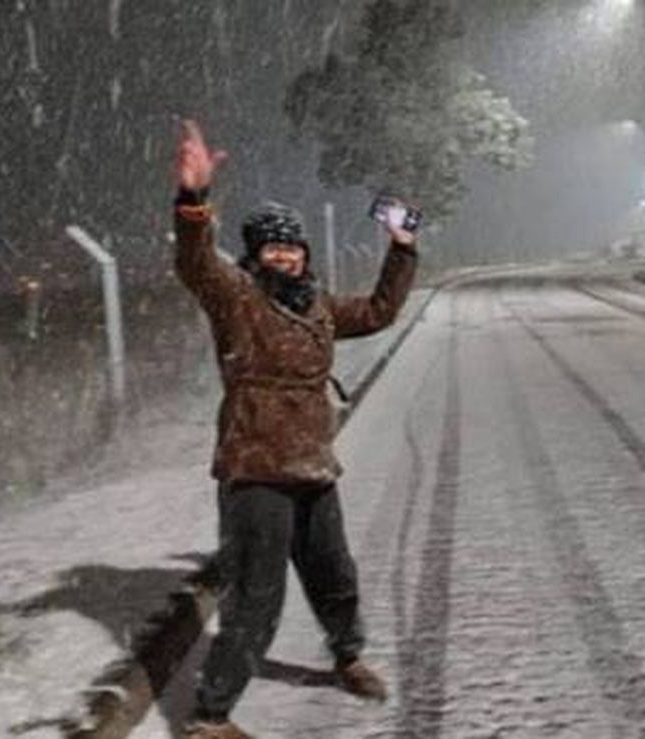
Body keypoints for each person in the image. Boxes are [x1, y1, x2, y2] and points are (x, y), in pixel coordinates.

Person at [172, 120, 418, 739]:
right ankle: (211, 715)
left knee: (335, 573)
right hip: (256, 466)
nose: (285, 254)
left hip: (312, 462)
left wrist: (402, 249)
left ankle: (349, 655)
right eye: (272, 247)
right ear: (254, 255)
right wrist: (194, 200)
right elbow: (196, 263)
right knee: (257, 597)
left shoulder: (318, 306)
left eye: (293, 246)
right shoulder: (238, 298)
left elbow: (381, 311)